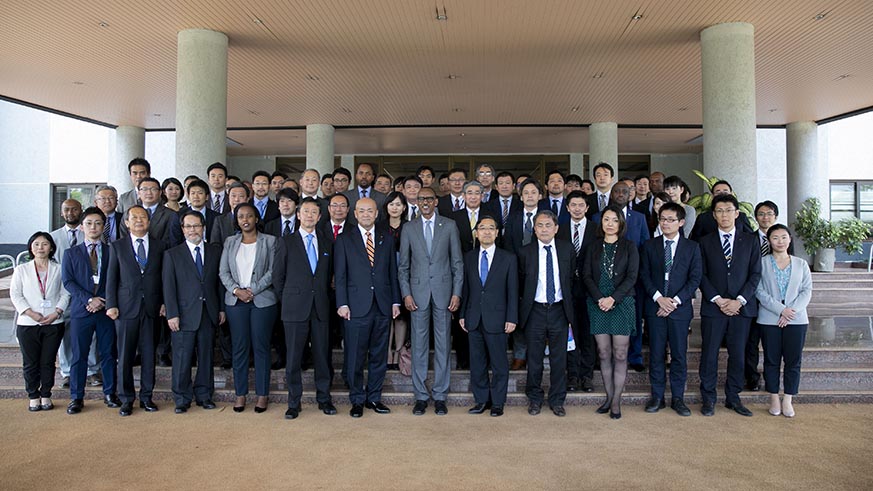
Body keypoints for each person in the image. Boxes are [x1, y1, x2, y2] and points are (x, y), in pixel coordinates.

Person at [398, 186, 463, 416]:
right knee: (419, 345)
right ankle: (421, 396)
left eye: (429, 198)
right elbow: (403, 265)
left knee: (444, 344)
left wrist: (456, 293)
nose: (425, 202)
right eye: (421, 199)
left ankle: (441, 395)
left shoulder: (449, 225)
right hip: (417, 294)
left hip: (444, 293)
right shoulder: (409, 228)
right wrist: (406, 293)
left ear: (436, 201)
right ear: (416, 202)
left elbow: (457, 263)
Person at [334, 198, 401, 417]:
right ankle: (356, 399)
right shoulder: (344, 239)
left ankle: (374, 398)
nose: (365, 214)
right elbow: (340, 275)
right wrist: (342, 303)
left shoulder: (387, 238)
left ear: (376, 214)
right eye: (361, 210)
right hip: (355, 306)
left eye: (369, 211)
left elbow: (393, 272)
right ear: (355, 213)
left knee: (379, 356)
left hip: (382, 305)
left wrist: (395, 301)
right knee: (354, 355)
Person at [698, 193, 762, 417]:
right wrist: (718, 299)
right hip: (713, 308)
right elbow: (701, 275)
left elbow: (755, 274)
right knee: (709, 354)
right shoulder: (704, 242)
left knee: (738, 354)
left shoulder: (751, 241)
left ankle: (733, 397)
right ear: (714, 215)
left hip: (741, 308)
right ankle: (708, 399)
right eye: (719, 211)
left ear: (737, 213)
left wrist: (739, 301)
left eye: (728, 210)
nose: (724, 215)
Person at [273, 198, 336, 419]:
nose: (310, 215)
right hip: (294, 308)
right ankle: (293, 402)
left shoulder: (327, 242)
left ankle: (324, 398)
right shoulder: (286, 241)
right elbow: (278, 278)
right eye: (306, 211)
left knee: (322, 356)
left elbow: (329, 277)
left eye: (314, 212)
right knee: (293, 358)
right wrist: (289, 299)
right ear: (298, 215)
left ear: (320, 217)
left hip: (320, 307)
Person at [640, 203, 702, 416]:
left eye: (670, 219)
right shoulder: (649, 245)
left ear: (681, 222)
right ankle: (657, 397)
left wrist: (673, 301)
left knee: (678, 355)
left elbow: (695, 279)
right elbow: (644, 275)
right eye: (662, 219)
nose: (665, 223)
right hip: (655, 308)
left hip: (680, 310)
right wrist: (659, 299)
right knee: (656, 354)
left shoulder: (692, 247)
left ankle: (678, 398)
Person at [106, 205, 166, 416]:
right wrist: (111, 304)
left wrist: (165, 302)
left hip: (151, 307)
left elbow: (163, 278)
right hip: (125, 309)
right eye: (134, 217)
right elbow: (111, 278)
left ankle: (146, 397)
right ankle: (126, 398)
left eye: (143, 217)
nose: (139, 220)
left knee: (149, 354)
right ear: (127, 222)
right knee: (125, 356)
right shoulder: (117, 246)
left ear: (149, 222)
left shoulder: (160, 246)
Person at [218, 203, 278, 414]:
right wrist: (236, 290)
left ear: (256, 218)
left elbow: (272, 271)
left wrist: (252, 289)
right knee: (240, 348)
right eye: (241, 216)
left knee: (261, 348)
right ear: (237, 220)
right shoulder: (230, 242)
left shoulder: (269, 241)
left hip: (262, 301)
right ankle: (240, 394)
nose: (245, 219)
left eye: (249, 216)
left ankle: (262, 395)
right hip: (236, 302)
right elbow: (223, 272)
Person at [163, 210, 225, 413]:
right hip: (183, 314)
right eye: (188, 226)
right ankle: (181, 398)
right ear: (182, 229)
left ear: (203, 227)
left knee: (206, 356)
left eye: (196, 226)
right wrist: (172, 313)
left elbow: (219, 284)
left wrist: (221, 309)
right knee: (182, 357)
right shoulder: (173, 254)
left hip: (208, 312)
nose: (192, 230)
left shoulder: (215, 251)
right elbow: (169, 287)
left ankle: (204, 395)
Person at [61, 208, 120, 414]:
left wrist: (103, 300)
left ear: (103, 226)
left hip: (106, 311)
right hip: (82, 310)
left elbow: (116, 280)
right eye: (89, 223)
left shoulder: (113, 250)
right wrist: (88, 299)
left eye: (97, 223)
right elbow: (68, 281)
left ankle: (110, 393)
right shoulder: (71, 253)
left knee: (108, 354)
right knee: (79, 355)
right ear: (82, 226)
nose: (93, 227)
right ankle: (76, 397)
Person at [582, 205, 638, 419]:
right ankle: (608, 397)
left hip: (622, 304)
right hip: (597, 304)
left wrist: (614, 298)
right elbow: (586, 276)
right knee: (604, 353)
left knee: (621, 354)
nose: (610, 224)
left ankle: (616, 402)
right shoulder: (592, 247)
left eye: (615, 220)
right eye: (606, 219)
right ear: (601, 222)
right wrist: (600, 299)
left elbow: (632, 276)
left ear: (621, 223)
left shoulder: (629, 246)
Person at [459, 215, 518, 417]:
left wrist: (512, 318)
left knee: (500, 363)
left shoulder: (508, 258)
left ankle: (498, 402)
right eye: (482, 228)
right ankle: (481, 400)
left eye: (490, 228)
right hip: (474, 318)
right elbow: (465, 288)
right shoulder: (468, 257)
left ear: (497, 232)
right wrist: (462, 313)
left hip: (499, 319)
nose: (486, 232)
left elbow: (512, 290)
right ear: (476, 233)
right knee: (477, 363)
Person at [519, 210, 575, 417]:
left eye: (548, 225)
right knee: (534, 359)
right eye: (540, 225)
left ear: (556, 228)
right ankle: (534, 399)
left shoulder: (566, 249)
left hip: (560, 310)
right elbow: (521, 283)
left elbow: (571, 280)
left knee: (559, 360)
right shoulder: (525, 252)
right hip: (535, 310)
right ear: (534, 229)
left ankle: (557, 400)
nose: (544, 229)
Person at [756, 224, 812, 418]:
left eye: (783, 237)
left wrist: (791, 312)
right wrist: (781, 310)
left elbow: (806, 291)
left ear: (790, 240)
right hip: (769, 319)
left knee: (793, 361)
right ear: (769, 241)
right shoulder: (762, 262)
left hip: (796, 321)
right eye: (775, 238)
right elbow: (759, 291)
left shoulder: (801, 264)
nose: (780, 241)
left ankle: (788, 399)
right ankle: (773, 397)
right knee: (771, 360)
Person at [11, 232, 69, 412]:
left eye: (44, 244)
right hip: (28, 323)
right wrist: (30, 313)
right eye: (36, 244)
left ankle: (46, 394)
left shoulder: (59, 269)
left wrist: (57, 312)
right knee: (30, 362)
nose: (40, 248)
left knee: (48, 361)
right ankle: (33, 396)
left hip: (53, 322)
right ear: (30, 247)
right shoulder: (21, 269)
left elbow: (65, 293)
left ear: (51, 247)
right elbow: (15, 294)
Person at [50, 199, 99, 388]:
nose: (70, 212)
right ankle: (67, 371)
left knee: (91, 335)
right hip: (63, 294)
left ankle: (92, 370)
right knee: (66, 335)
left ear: (81, 211)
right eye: (66, 210)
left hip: (89, 295)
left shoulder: (89, 234)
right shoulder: (53, 237)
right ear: (62, 213)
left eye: (74, 209)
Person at [556, 191, 597, 393]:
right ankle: (572, 375)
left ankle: (587, 376)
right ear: (567, 207)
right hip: (566, 291)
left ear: (587, 208)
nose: (577, 208)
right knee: (569, 334)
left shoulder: (596, 229)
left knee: (588, 335)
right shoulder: (560, 230)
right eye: (573, 205)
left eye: (581, 205)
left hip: (591, 291)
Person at [501, 178, 544, 370]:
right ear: (520, 195)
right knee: (518, 313)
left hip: (542, 274)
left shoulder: (546, 218)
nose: (529, 196)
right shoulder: (513, 217)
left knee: (538, 316)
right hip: (517, 273)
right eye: (526, 193)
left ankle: (537, 354)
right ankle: (519, 355)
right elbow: (507, 245)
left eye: (533, 192)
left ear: (540, 196)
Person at [379, 192, 408, 370]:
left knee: (401, 316)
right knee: (386, 314)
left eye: (398, 204)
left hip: (404, 275)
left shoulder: (410, 226)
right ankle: (387, 352)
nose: (395, 207)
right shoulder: (379, 226)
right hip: (383, 275)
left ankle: (399, 352)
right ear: (386, 207)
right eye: (391, 204)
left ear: (404, 208)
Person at [136, 177, 182, 247]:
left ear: (160, 192)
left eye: (153, 189)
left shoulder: (171, 215)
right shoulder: (130, 213)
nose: (149, 193)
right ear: (139, 193)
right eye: (144, 189)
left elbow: (172, 242)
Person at [211, 182, 251, 248]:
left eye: (241, 196)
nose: (236, 199)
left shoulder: (253, 219)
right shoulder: (220, 220)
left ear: (247, 199)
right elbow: (215, 245)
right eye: (233, 196)